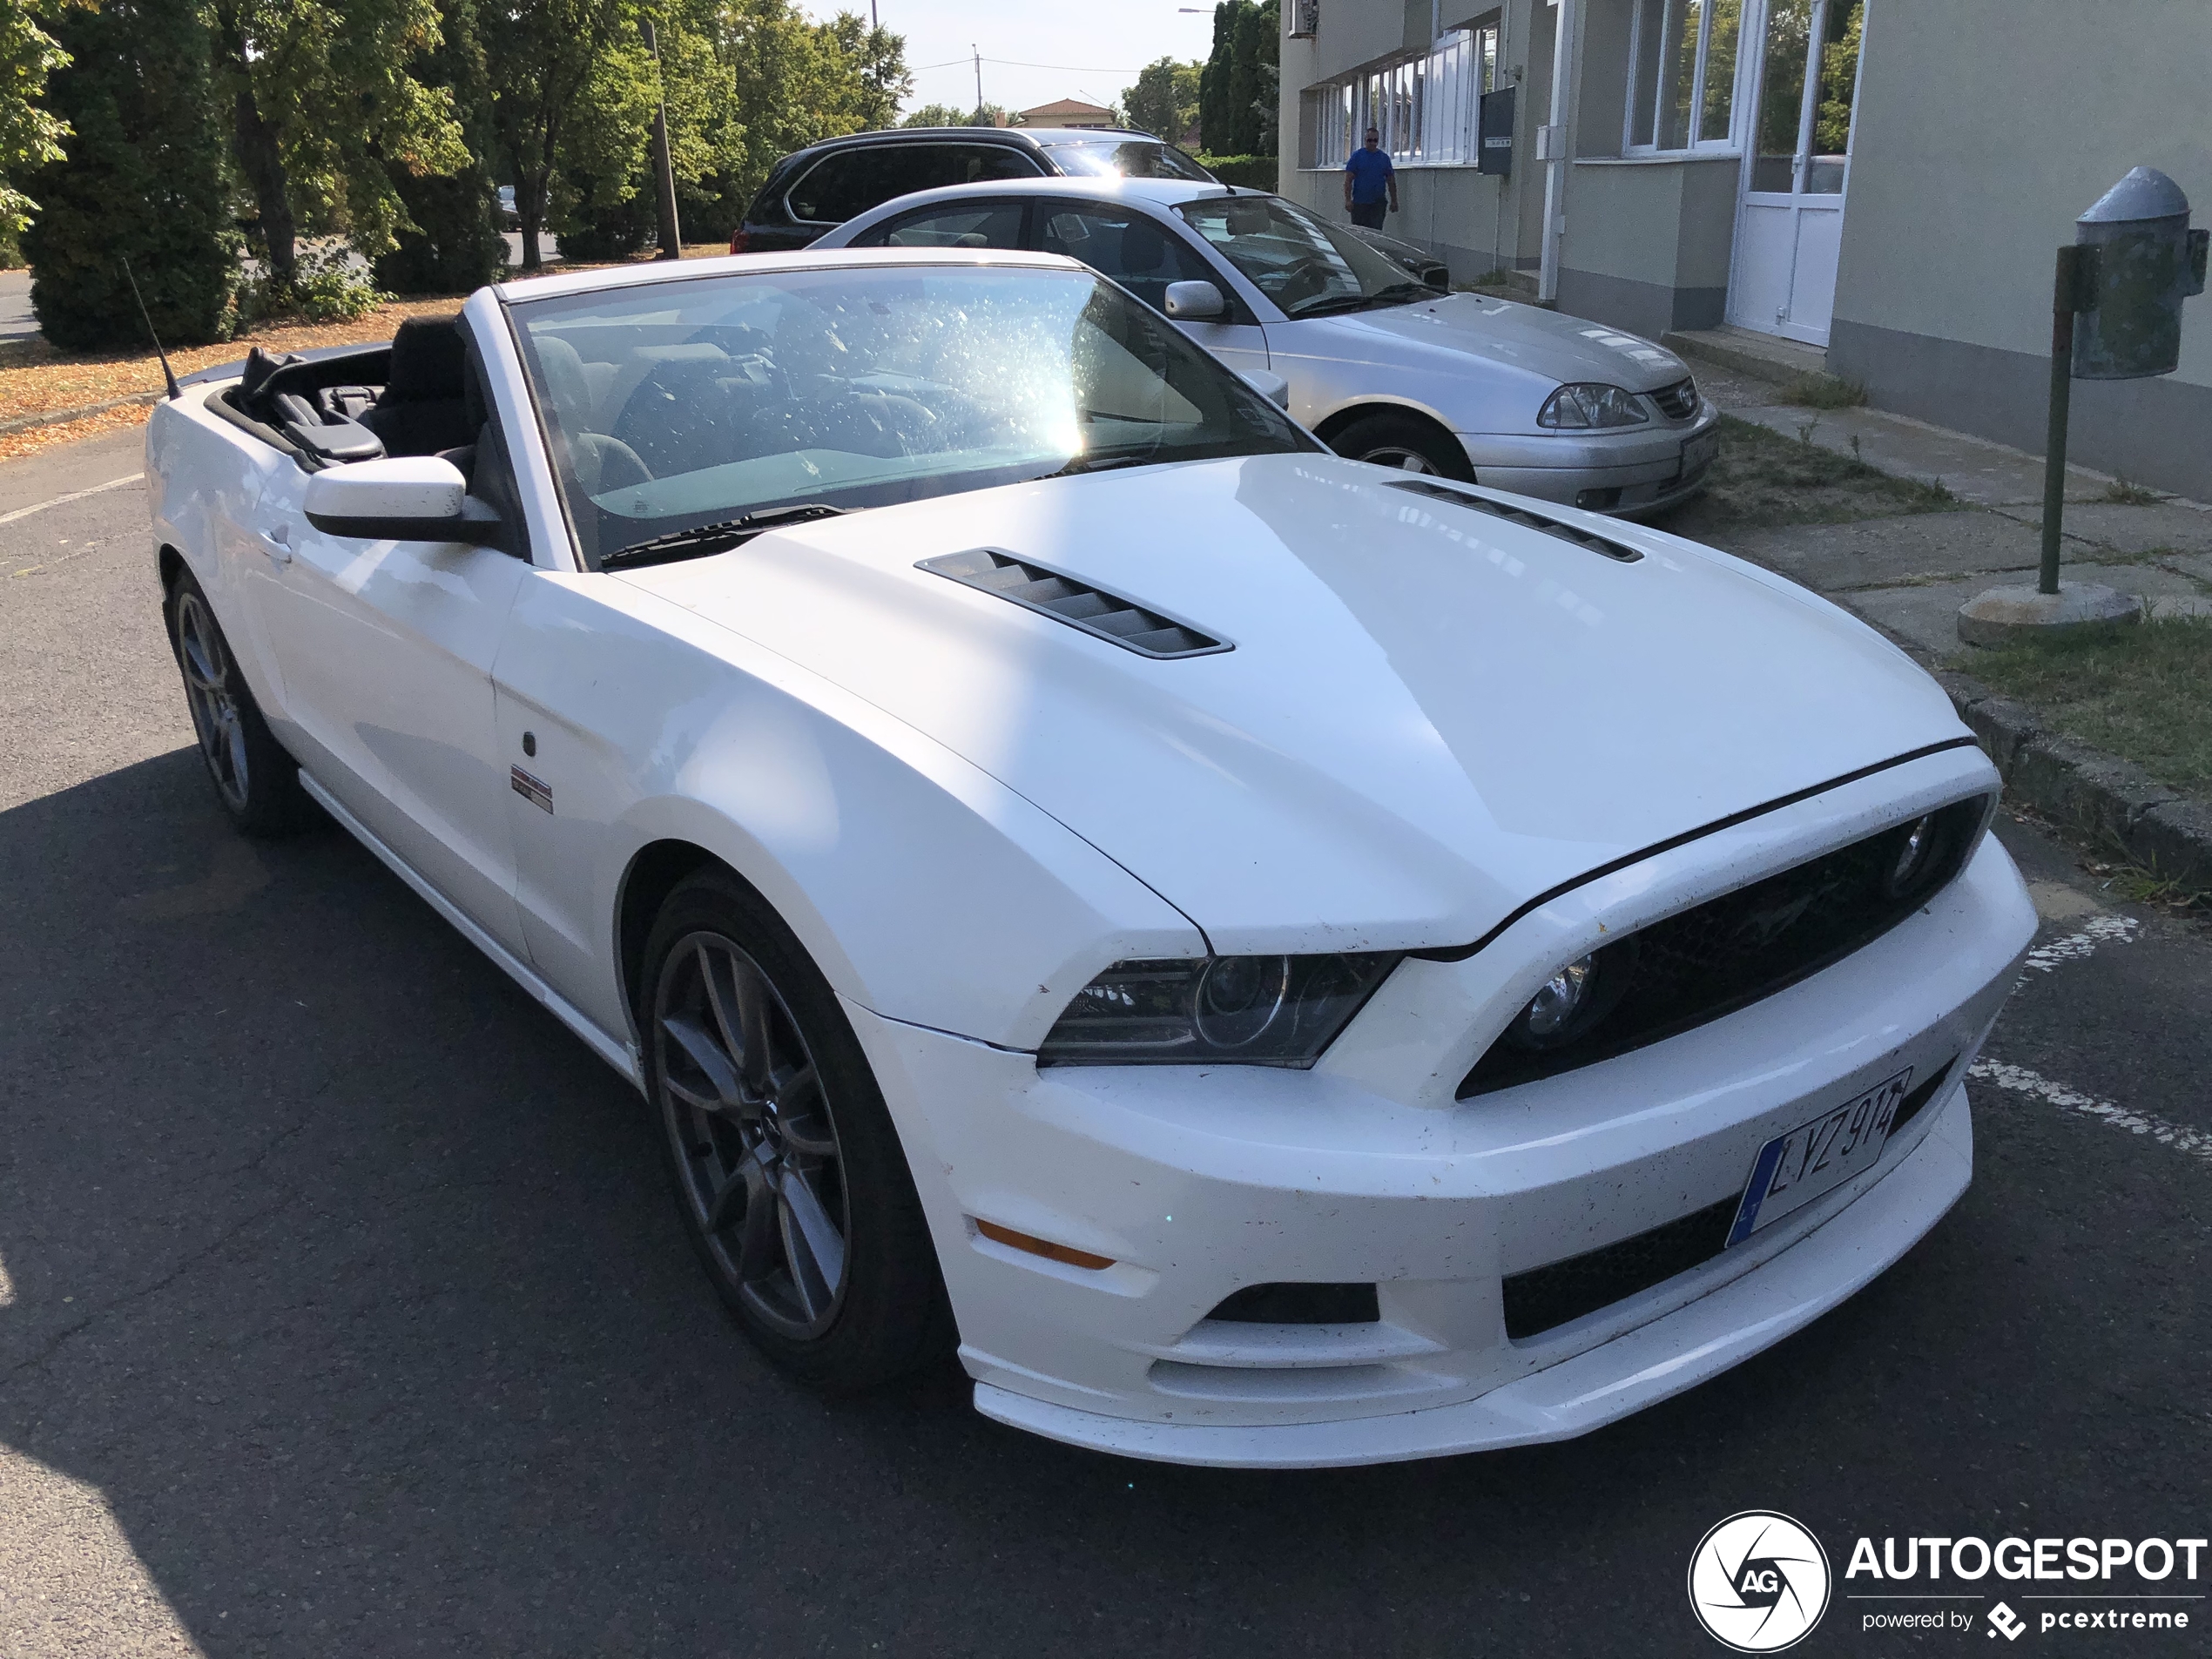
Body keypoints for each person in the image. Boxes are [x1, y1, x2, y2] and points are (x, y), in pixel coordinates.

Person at [1343, 127, 1397, 230]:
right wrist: (1348, 200)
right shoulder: (1357, 156)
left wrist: (1394, 200)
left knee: (1375, 232)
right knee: (1359, 232)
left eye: (1375, 140)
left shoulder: (1384, 158)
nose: (1372, 143)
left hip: (1377, 203)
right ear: (1365, 140)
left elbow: (1391, 180)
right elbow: (1348, 180)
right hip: (1360, 203)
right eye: (1369, 140)